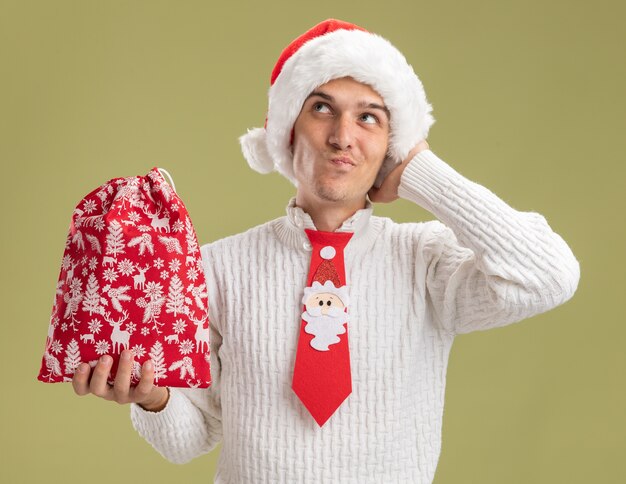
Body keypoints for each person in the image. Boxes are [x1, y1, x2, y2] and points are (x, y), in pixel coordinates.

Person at [71, 19, 580, 483]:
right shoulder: (216, 267)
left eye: (370, 118)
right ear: (287, 130)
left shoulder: (426, 261)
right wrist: (152, 398)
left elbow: (549, 276)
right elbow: (191, 437)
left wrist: (422, 171)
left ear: (392, 145)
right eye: (322, 109)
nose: (343, 136)